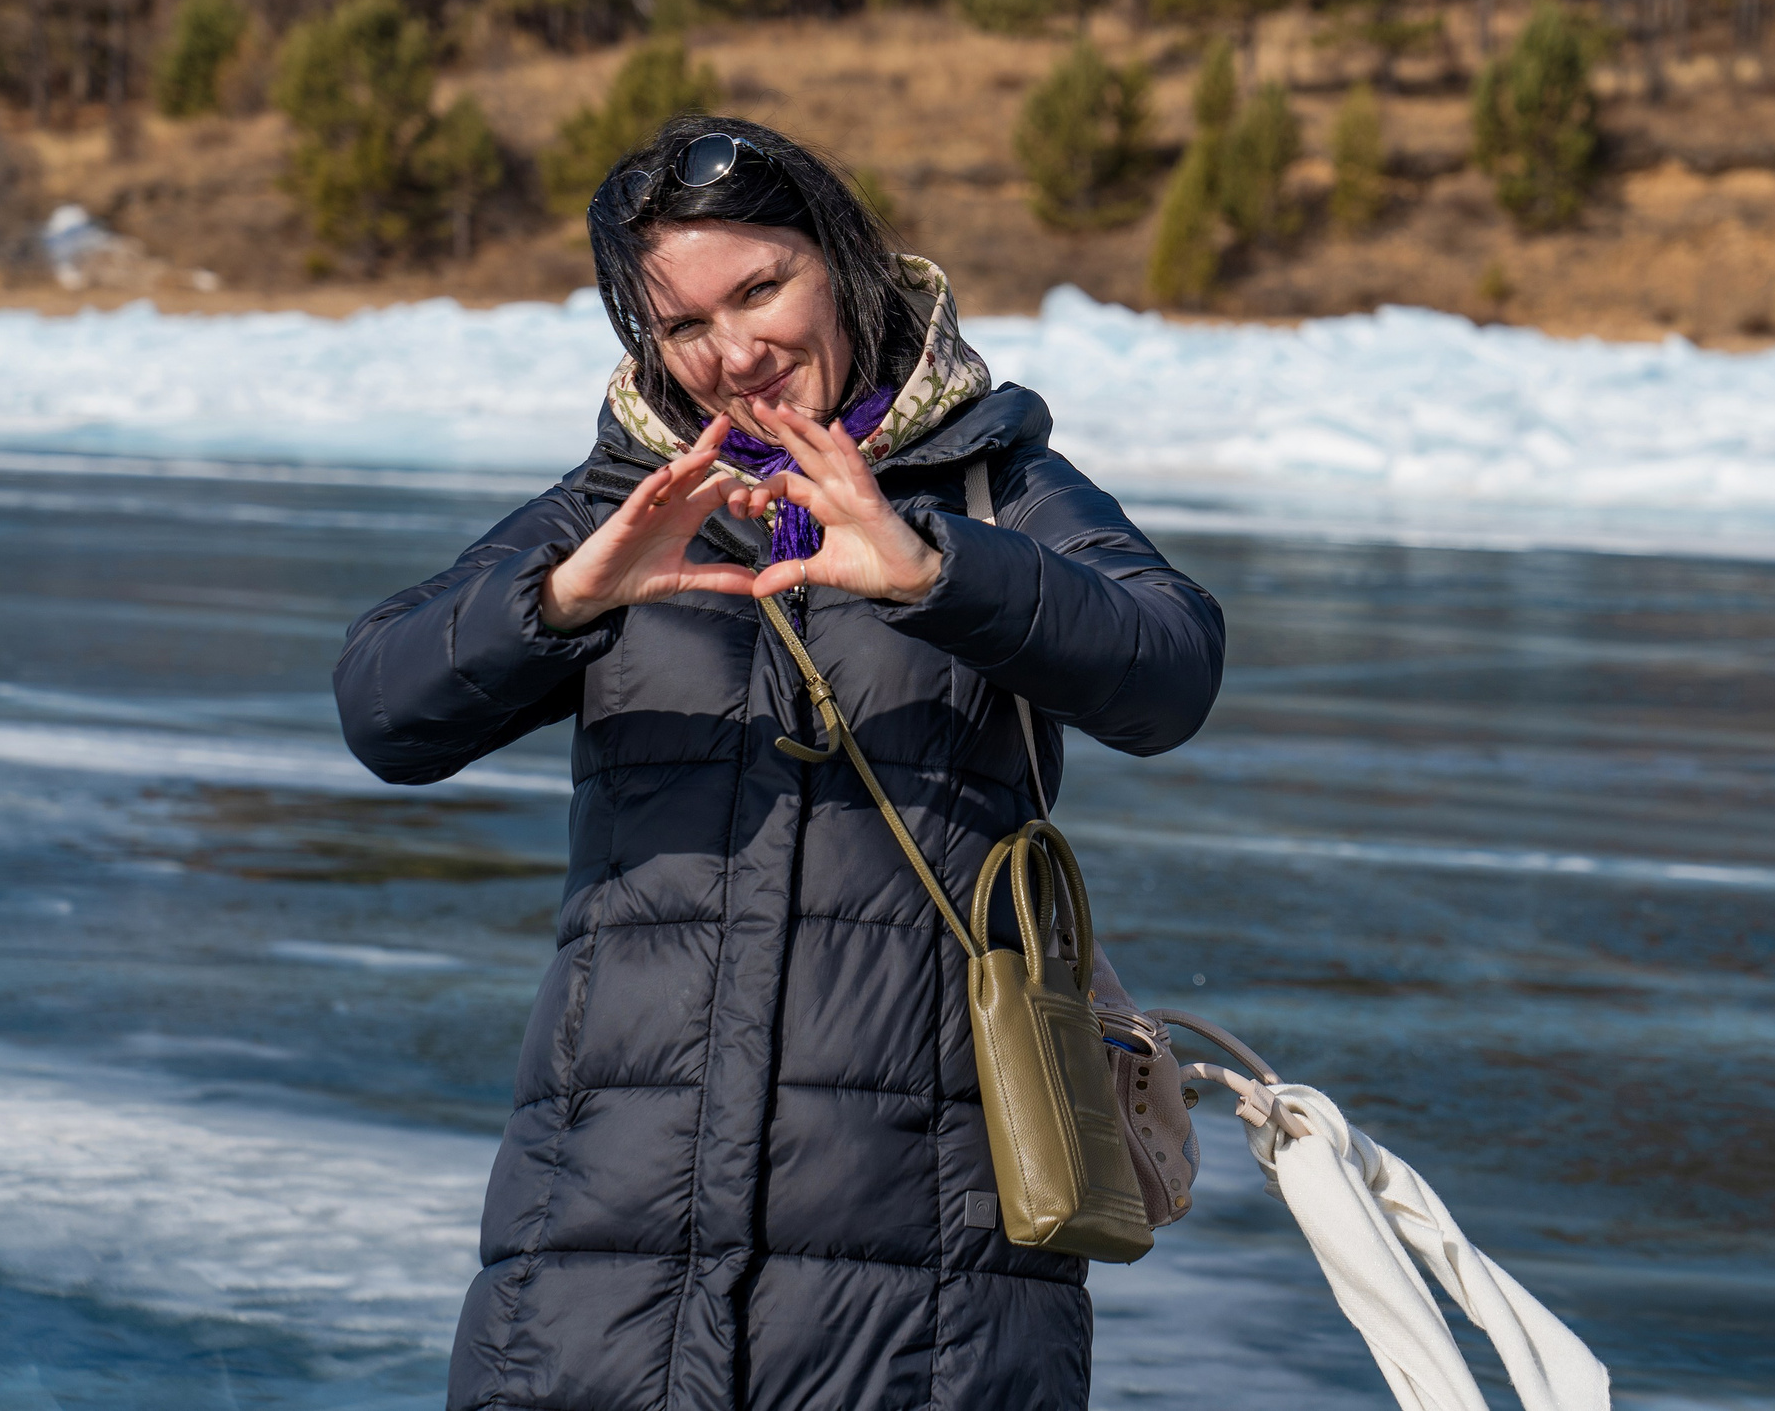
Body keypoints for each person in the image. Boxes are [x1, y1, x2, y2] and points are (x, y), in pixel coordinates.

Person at [333, 115, 1225, 1411]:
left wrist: (937, 574)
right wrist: (567, 599)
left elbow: (1168, 669)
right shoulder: (620, 501)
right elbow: (381, 705)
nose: (735, 351)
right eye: (686, 325)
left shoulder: (988, 481)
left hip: (928, 1266)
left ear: (842, 263)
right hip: (602, 1249)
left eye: (762, 288)